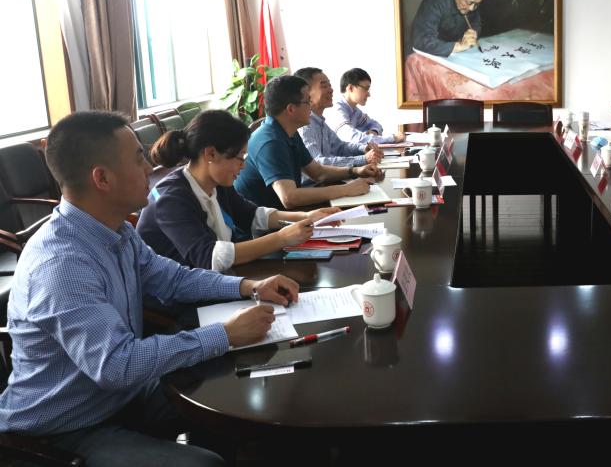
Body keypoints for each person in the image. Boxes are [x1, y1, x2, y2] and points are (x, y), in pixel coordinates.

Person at [0, 111, 299, 466]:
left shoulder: (116, 231)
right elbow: (117, 364)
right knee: (205, 463)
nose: (149, 168)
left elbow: (174, 278)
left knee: (240, 390)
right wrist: (226, 334)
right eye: (139, 158)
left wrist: (250, 286)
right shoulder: (62, 265)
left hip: (121, 397)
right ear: (102, 178)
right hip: (68, 428)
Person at [137, 110, 341, 271]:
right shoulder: (171, 200)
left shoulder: (216, 182)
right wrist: (281, 238)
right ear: (211, 154)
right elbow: (210, 258)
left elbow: (253, 215)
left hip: (218, 280)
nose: (242, 166)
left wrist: (306, 217)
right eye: (239, 158)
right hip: (179, 299)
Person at [234, 75, 380, 209]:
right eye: (307, 102)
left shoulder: (289, 131)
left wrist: (355, 171)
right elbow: (289, 198)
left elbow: (318, 172)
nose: (311, 106)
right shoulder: (270, 142)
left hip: (286, 213)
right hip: (271, 222)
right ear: (291, 109)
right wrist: (346, 189)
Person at [295, 67, 383, 179]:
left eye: (330, 85)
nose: (331, 90)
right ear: (306, 94)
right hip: (314, 186)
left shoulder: (320, 122)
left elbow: (340, 147)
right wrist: (363, 159)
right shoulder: (305, 126)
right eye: (324, 86)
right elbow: (318, 163)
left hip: (328, 181)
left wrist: (363, 148)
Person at [411, 0, 486, 56]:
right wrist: (459, 46)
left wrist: (472, 34)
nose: (472, 8)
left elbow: (476, 24)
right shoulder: (434, 3)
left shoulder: (471, 1)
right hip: (433, 55)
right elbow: (421, 41)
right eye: (469, 2)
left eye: (477, 4)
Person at [324, 68, 406, 146]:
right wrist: (393, 138)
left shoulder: (355, 111)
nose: (369, 94)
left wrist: (373, 131)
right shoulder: (336, 109)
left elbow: (376, 125)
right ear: (350, 88)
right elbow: (353, 138)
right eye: (366, 89)